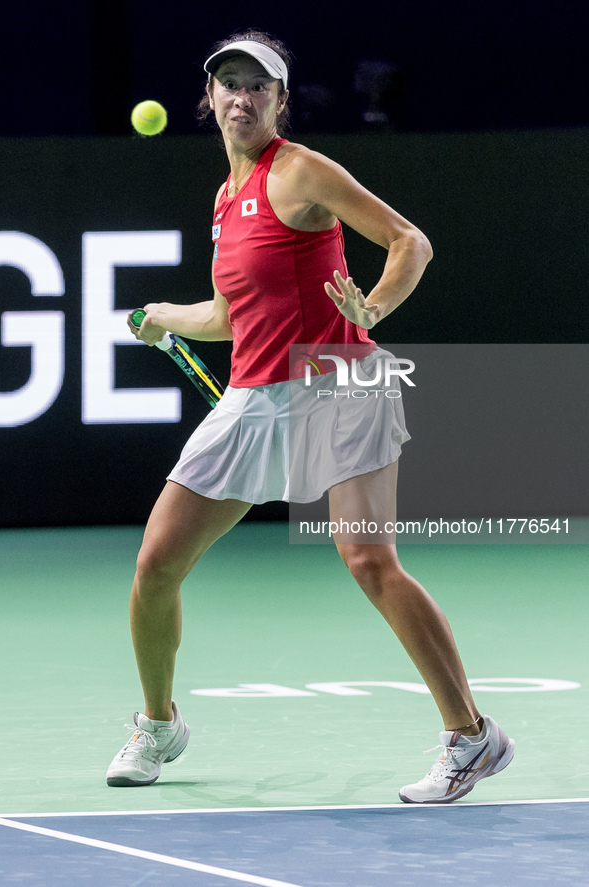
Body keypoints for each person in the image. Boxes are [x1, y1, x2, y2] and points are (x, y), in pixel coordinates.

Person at [106, 30, 514, 803]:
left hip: (341, 381)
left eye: (257, 85)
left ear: (279, 101)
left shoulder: (300, 171)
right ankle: (158, 723)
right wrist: (164, 312)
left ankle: (471, 736)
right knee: (156, 565)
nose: (240, 96)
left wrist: (374, 304)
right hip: (255, 395)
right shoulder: (226, 201)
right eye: (227, 84)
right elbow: (230, 314)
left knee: (367, 560)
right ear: (210, 98)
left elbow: (408, 242)